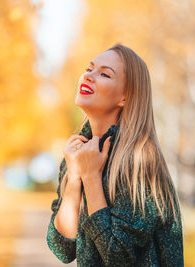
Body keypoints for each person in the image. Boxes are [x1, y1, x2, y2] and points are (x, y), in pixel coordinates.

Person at [46, 43, 184, 267]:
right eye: (89, 68)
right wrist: (73, 178)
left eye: (104, 74)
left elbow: (117, 257)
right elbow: (62, 249)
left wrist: (91, 178)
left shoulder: (140, 160)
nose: (89, 76)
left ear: (125, 98)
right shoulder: (76, 154)